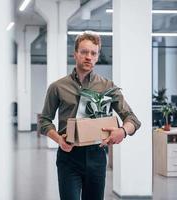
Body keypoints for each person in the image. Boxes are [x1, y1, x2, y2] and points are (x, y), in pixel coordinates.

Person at [39, 32, 141, 200]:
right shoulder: (58, 87)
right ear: (75, 54)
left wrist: (122, 132)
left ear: (97, 56)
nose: (88, 57)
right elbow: (44, 121)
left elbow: (132, 119)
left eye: (93, 53)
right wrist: (58, 140)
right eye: (84, 52)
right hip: (69, 155)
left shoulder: (107, 86)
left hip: (97, 156)